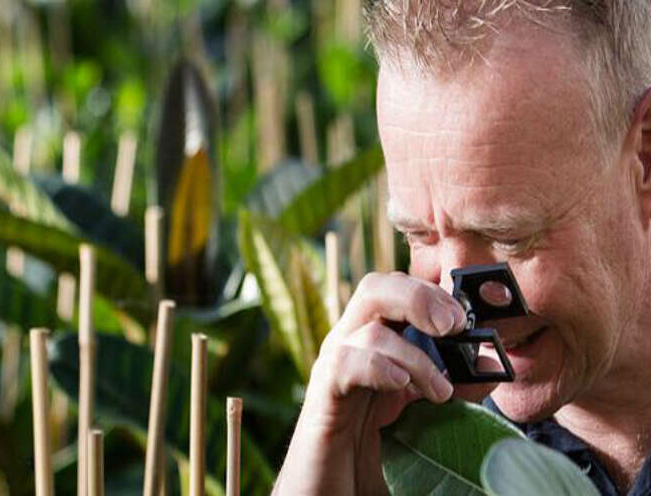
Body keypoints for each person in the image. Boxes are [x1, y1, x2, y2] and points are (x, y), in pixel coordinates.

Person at [272, 1, 651, 495]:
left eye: (508, 237)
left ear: (644, 158)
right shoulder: (403, 432)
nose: (454, 309)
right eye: (419, 236)